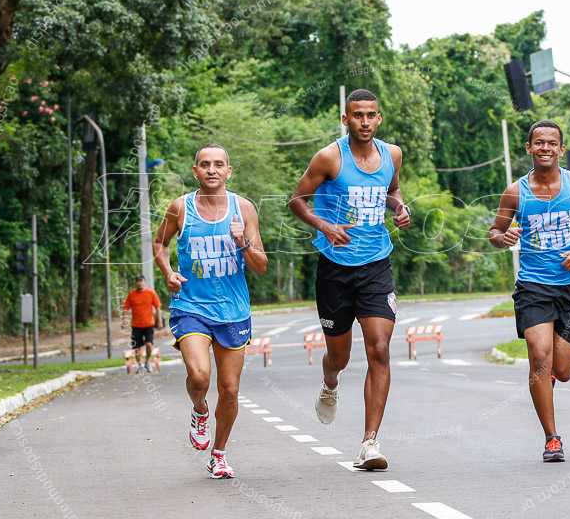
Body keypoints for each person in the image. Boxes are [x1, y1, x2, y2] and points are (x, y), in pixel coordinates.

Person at [288, 89, 411, 470]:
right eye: (357, 115)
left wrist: (400, 207)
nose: (364, 122)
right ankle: (330, 383)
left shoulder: (392, 155)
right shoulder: (329, 157)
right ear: (346, 119)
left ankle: (369, 444)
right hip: (335, 269)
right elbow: (297, 201)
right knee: (338, 357)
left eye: (371, 115)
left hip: (376, 263)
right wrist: (324, 226)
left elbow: (391, 190)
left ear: (379, 118)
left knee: (379, 348)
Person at [488, 120, 570, 462]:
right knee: (539, 358)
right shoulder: (515, 192)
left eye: (552, 143)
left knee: (564, 370)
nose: (545, 147)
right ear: (529, 149)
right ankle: (552, 438)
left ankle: (546, 384)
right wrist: (504, 237)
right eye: (538, 142)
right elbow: (495, 231)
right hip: (533, 285)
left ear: (561, 149)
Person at [153, 143, 267, 479]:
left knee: (229, 389)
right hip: (192, 307)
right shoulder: (181, 208)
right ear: (195, 171)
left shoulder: (243, 209)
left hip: (233, 311)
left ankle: (218, 454)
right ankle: (200, 410)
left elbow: (260, 266)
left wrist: (242, 241)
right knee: (200, 375)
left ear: (229, 171)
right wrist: (168, 273)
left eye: (219, 164)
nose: (212, 170)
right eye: (205, 164)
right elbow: (159, 243)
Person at [120, 274, 163, 373]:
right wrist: (124, 321)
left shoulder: (151, 293)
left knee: (149, 344)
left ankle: (147, 362)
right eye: (138, 281)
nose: (139, 283)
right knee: (136, 347)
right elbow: (126, 308)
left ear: (145, 282)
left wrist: (159, 321)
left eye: (141, 281)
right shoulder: (132, 294)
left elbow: (157, 307)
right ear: (136, 283)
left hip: (149, 323)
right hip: (136, 325)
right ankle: (140, 366)